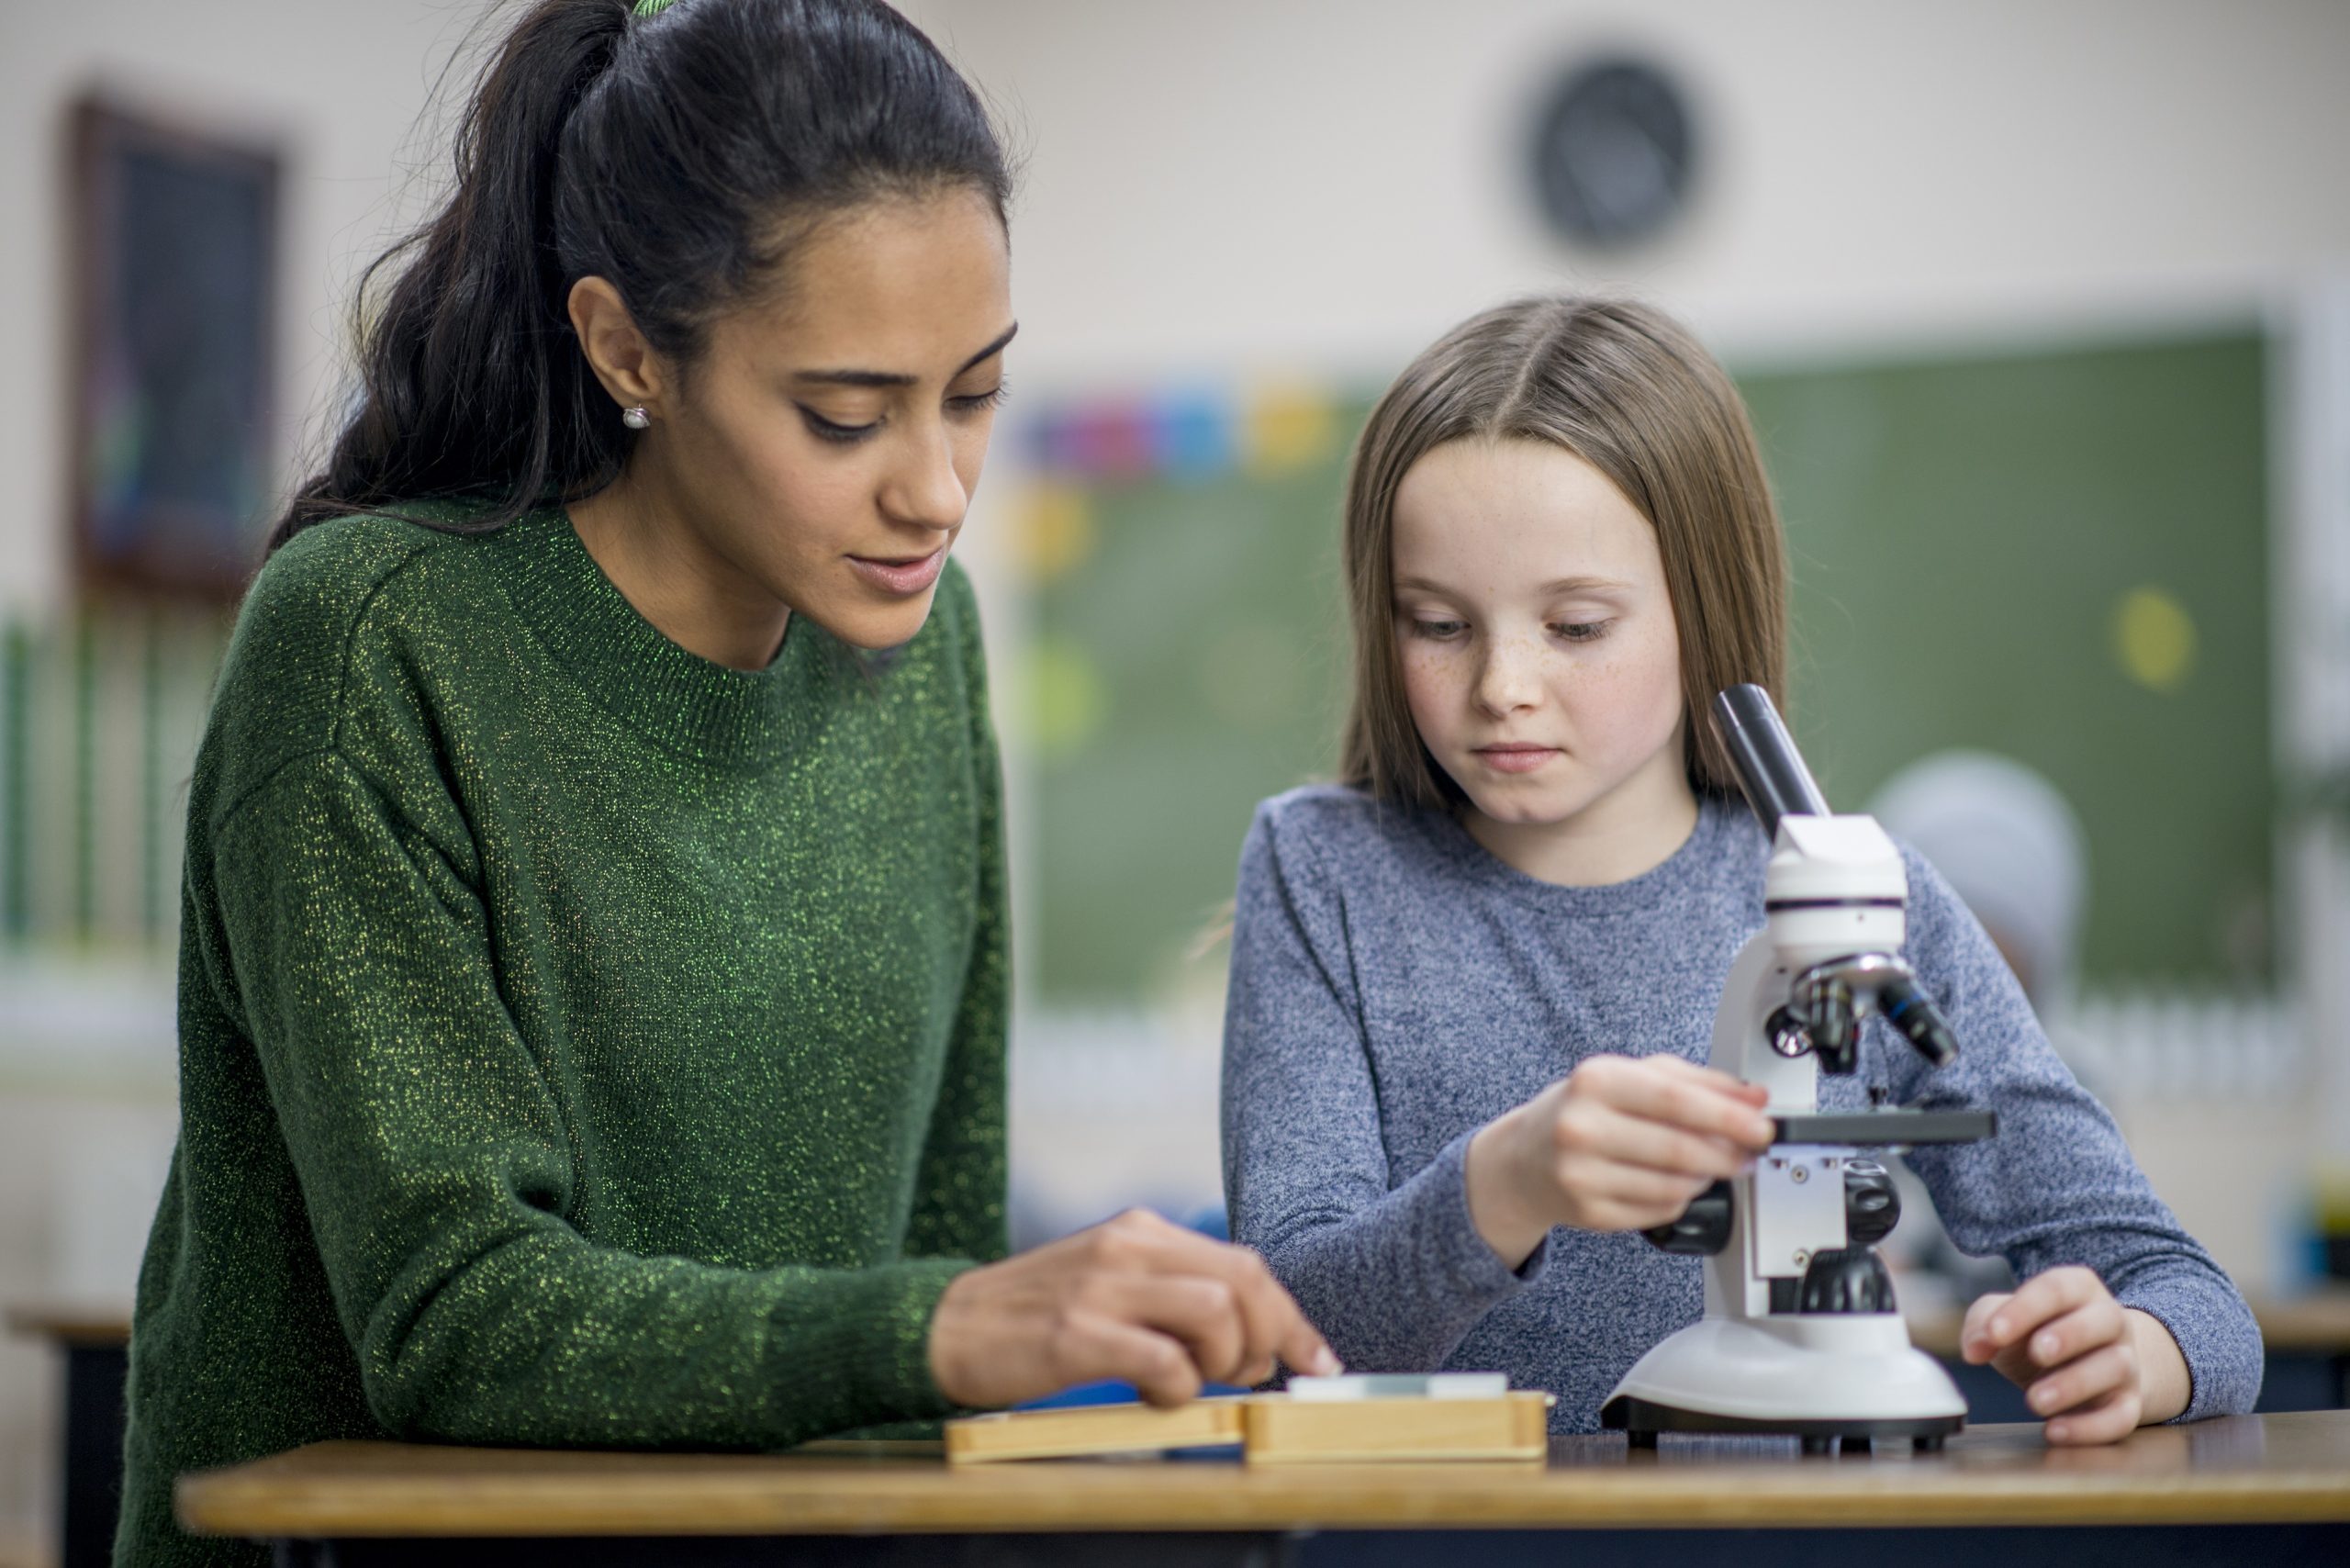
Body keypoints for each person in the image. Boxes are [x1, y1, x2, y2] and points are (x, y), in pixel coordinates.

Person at [121, 4, 1333, 1564]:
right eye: (846, 414)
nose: (939, 489)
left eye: (974, 393)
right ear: (627, 347)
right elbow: (454, 1316)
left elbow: (941, 1209)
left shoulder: (920, 640)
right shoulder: (370, 641)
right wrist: (943, 1327)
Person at [1219, 296, 2261, 1446]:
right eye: (1438, 623)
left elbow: (2189, 1294)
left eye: (1574, 626)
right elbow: (1287, 1348)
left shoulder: (1865, 892)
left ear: (1698, 607)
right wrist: (1505, 1182)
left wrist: (2142, 1351)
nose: (1503, 684)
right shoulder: (1323, 872)